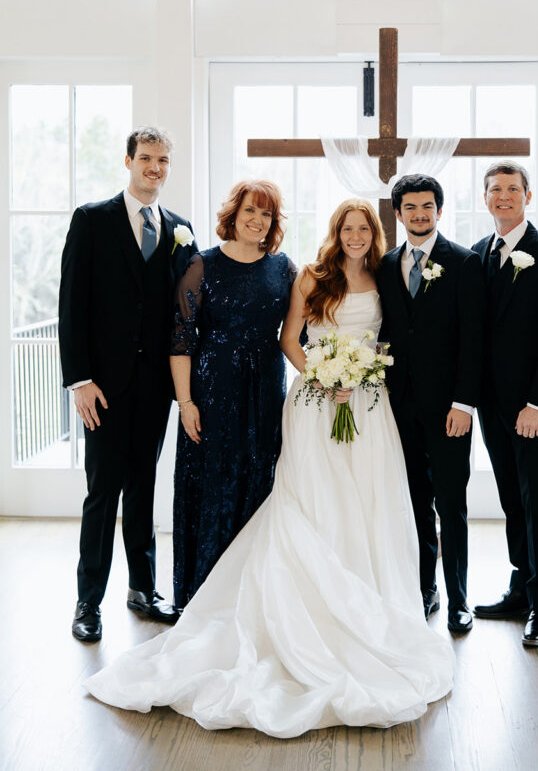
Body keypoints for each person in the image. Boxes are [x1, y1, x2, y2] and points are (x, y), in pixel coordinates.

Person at [85, 199, 453, 735]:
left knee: (368, 503)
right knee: (310, 499)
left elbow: (395, 337)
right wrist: (324, 375)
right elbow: (288, 339)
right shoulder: (305, 275)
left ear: (374, 233)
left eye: (362, 228)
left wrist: (363, 374)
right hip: (307, 399)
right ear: (335, 232)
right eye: (346, 228)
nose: (354, 235)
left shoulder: (383, 276)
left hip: (368, 407)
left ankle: (369, 602)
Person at [59, 127, 197, 643]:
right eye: (146, 158)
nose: (155, 168)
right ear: (128, 161)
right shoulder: (92, 220)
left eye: (163, 160)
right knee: (103, 494)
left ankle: (143, 589)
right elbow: (71, 305)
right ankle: (87, 602)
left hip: (155, 388)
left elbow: (184, 310)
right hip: (103, 387)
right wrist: (80, 380)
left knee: (143, 487)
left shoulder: (180, 229)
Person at [171, 179, 295, 609]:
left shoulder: (284, 268)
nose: (257, 220)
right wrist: (186, 403)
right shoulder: (201, 265)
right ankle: (203, 595)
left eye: (266, 214)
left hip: (265, 391)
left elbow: (303, 329)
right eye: (250, 211)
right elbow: (181, 341)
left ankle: (253, 596)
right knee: (211, 482)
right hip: (212, 391)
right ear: (234, 215)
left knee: (259, 478)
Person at [471, 162, 538, 647]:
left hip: (533, 407)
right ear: (485, 198)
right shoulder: (478, 253)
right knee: (512, 499)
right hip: (491, 405)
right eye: (495, 189)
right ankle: (520, 586)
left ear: (527, 197)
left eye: (513, 189)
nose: (504, 196)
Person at [375, 174, 486, 634]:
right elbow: (386, 331)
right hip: (399, 407)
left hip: (448, 409)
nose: (419, 215)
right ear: (398, 213)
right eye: (411, 207)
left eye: (427, 207)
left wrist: (464, 404)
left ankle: (459, 599)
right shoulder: (385, 265)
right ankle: (426, 590)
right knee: (415, 502)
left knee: (451, 504)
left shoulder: (464, 262)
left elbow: (474, 339)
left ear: (439, 210)